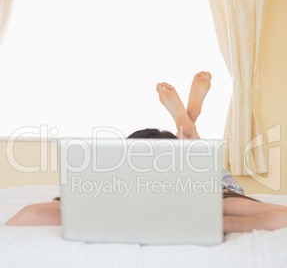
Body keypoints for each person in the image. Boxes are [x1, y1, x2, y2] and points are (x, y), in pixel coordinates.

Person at [6, 72, 287, 232]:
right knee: (196, 156)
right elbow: (22, 218)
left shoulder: (211, 197)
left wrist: (212, 222)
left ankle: (188, 130)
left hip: (205, 182)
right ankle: (188, 127)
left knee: (207, 170)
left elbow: (281, 217)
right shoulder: (108, 194)